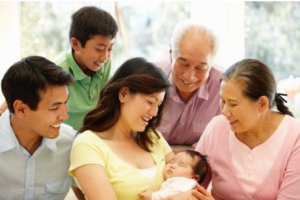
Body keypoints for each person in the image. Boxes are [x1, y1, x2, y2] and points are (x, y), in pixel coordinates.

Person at [69, 57, 205, 200]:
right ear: (124, 94)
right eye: (150, 102)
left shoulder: (153, 137)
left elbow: (189, 187)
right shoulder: (88, 145)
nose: (154, 113)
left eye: (158, 105)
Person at [196, 59, 300, 200]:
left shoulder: (295, 138)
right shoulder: (216, 127)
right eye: (223, 101)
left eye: (233, 104)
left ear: (262, 104)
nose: (225, 111)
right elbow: (190, 186)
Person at [0, 56, 79, 199]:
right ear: (21, 109)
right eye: (54, 108)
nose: (64, 115)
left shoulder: (73, 144)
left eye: (65, 102)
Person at [156, 20, 223, 147]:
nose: (189, 76)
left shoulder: (226, 87)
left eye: (200, 68)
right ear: (171, 54)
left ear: (212, 63)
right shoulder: (147, 78)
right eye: (183, 64)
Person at [55, 6, 118, 130]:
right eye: (99, 49)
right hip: (63, 140)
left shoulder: (104, 64)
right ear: (75, 44)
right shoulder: (58, 70)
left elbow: (102, 101)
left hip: (89, 134)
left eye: (110, 48)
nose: (105, 56)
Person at [139, 150, 208, 200]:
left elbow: (172, 194)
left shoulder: (186, 182)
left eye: (181, 165)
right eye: (171, 162)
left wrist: (152, 195)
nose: (172, 166)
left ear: (194, 178)